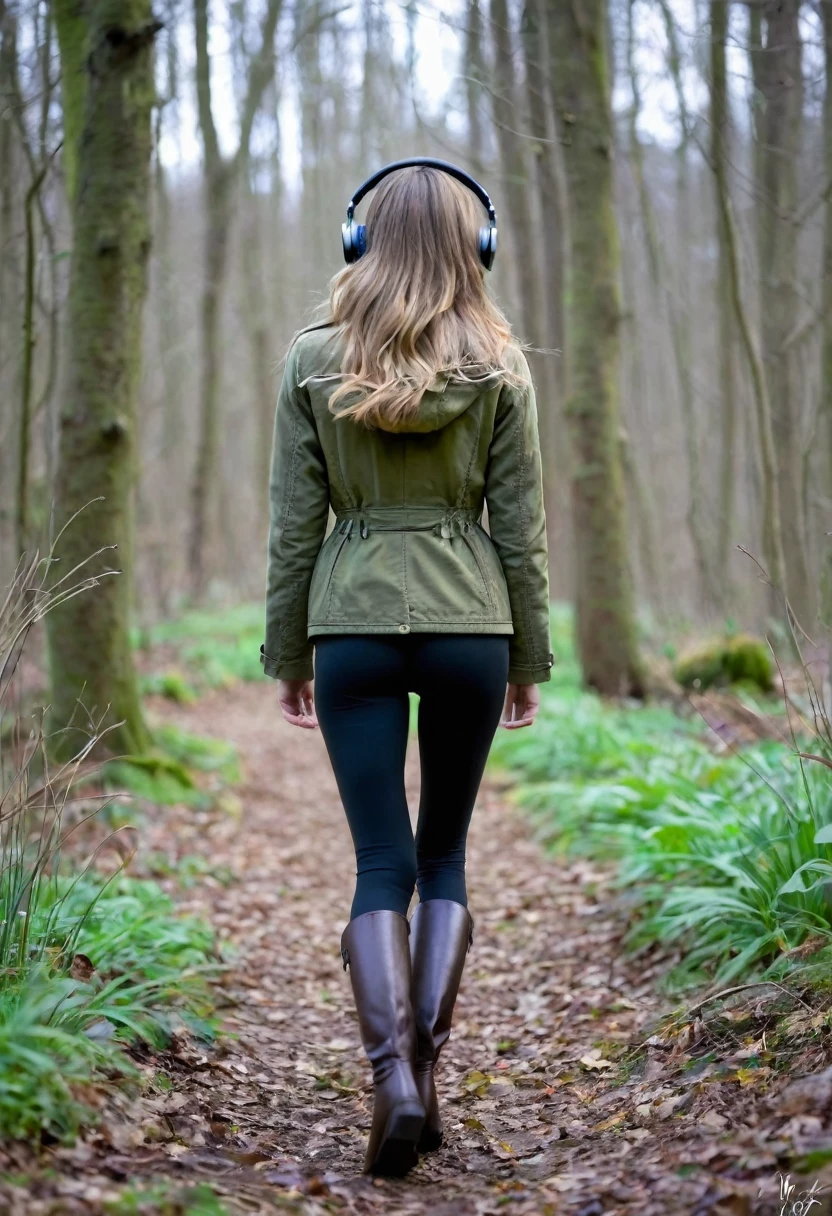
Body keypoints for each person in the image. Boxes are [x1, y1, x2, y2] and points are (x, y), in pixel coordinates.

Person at [261, 158, 552, 1178]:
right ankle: (420, 1075)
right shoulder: (501, 367)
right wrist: (527, 655)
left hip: (351, 624)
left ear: (359, 242)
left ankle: (392, 1077)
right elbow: (520, 533)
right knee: (444, 858)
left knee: (379, 862)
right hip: (472, 623)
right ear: (478, 249)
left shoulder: (311, 358)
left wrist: (288, 652)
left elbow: (293, 531)